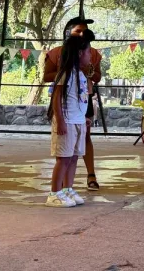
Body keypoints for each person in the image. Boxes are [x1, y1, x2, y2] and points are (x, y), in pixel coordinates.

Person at [44, 16, 102, 191]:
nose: (82, 34)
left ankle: (89, 175)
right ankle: (59, 189)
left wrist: (87, 72)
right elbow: (46, 76)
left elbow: (98, 76)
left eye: (85, 31)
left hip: (83, 101)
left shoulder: (92, 53)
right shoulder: (56, 53)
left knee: (83, 139)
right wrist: (68, 70)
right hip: (66, 103)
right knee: (65, 150)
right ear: (68, 32)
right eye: (78, 31)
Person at [45, 36, 88, 207]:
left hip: (78, 121)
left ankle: (67, 188)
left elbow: (79, 98)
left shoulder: (81, 74)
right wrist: (60, 120)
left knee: (74, 157)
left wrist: (83, 117)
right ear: (79, 53)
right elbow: (56, 98)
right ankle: (54, 193)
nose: (90, 56)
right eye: (88, 52)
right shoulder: (65, 74)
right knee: (63, 159)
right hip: (67, 121)